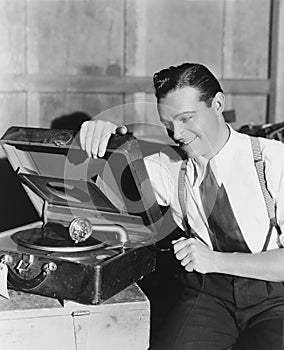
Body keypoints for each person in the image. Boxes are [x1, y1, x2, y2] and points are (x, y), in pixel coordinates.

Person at [80, 63, 284, 349]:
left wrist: (215, 260)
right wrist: (106, 139)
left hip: (275, 298)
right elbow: (99, 193)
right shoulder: (170, 166)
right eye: (168, 124)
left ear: (217, 104)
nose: (176, 133)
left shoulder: (274, 160)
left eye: (187, 119)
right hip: (208, 294)